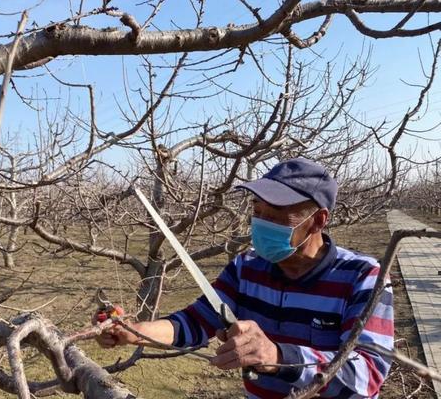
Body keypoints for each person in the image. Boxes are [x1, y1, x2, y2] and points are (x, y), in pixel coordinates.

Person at [96, 157, 394, 398]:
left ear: (317, 220)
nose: (262, 223)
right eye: (257, 210)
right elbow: (196, 321)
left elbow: (368, 374)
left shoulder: (364, 278)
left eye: (276, 214)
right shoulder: (247, 267)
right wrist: (134, 332)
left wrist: (278, 357)